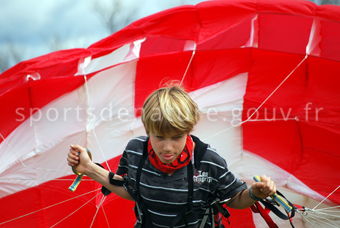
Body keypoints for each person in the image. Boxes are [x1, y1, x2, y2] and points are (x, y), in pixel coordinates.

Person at [67, 85, 276, 227]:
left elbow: (234, 200)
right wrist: (88, 168)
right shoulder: (135, 151)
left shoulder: (208, 160)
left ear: (189, 130)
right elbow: (131, 189)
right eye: (159, 137)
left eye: (176, 137)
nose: (167, 147)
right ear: (148, 130)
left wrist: (255, 194)